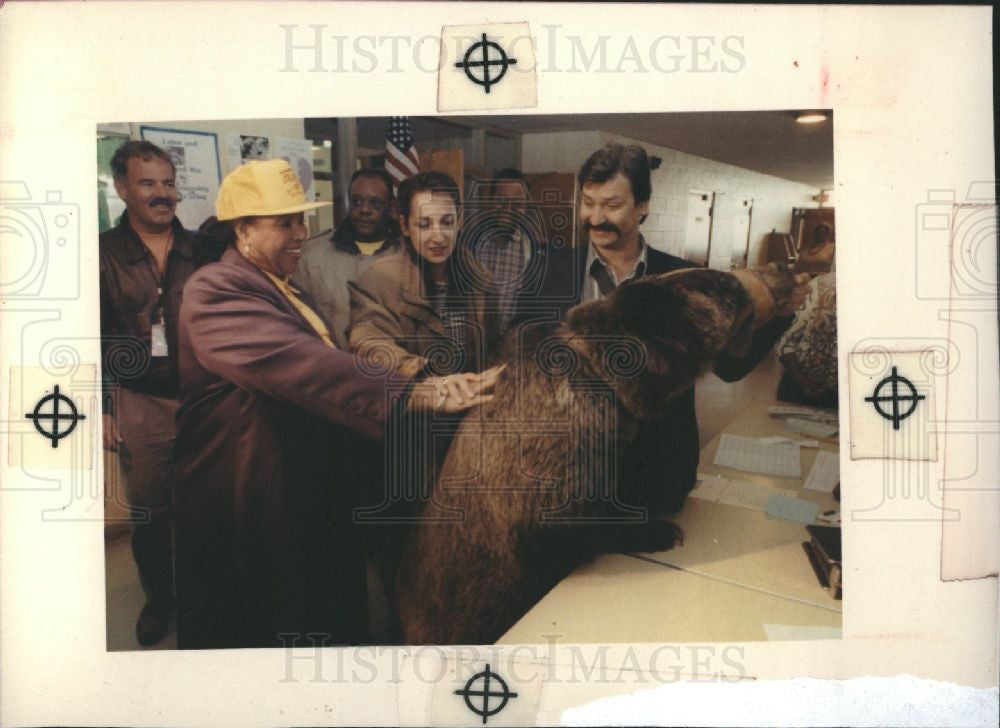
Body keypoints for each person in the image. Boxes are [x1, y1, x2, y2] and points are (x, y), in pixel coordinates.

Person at [172, 160, 496, 649]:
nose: (301, 233)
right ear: (243, 231)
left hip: (299, 487)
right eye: (284, 223)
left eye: (301, 220)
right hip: (247, 493)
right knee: (261, 628)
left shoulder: (284, 286)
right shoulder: (213, 290)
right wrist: (416, 391)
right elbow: (308, 366)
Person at [511, 142, 811, 513]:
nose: (595, 217)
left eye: (612, 205)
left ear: (643, 206)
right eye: (588, 203)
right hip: (571, 481)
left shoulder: (682, 279)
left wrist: (781, 312)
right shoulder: (545, 276)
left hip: (655, 480)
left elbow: (731, 367)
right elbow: (517, 363)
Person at [100, 140, 199, 646]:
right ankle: (160, 599)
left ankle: (207, 594)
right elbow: (84, 335)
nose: (162, 194)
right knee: (150, 512)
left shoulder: (202, 248)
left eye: (167, 182)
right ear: (121, 188)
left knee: (210, 501)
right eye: (147, 183)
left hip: (205, 397)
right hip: (139, 399)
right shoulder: (101, 254)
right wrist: (101, 405)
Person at [348, 170, 501, 377]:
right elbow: (371, 345)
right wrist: (426, 378)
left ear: (460, 220)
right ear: (405, 226)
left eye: (447, 222)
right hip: (415, 404)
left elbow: (494, 350)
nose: (438, 237)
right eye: (424, 225)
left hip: (473, 403)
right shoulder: (377, 280)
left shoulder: (481, 277)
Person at [295, 167, 402, 348]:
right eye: (357, 202)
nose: (364, 210)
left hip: (392, 370)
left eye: (375, 203)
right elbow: (296, 318)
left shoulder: (407, 254)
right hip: (330, 367)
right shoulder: (313, 254)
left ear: (391, 207)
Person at [463, 168, 545, 336]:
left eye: (516, 204)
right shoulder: (468, 245)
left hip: (512, 347)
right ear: (490, 201)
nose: (508, 210)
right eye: (501, 202)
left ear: (525, 207)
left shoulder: (535, 251)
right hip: (473, 342)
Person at [778, 272, 838, 407]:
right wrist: (800, 378)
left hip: (849, 398)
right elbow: (786, 339)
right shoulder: (820, 285)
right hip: (800, 387)